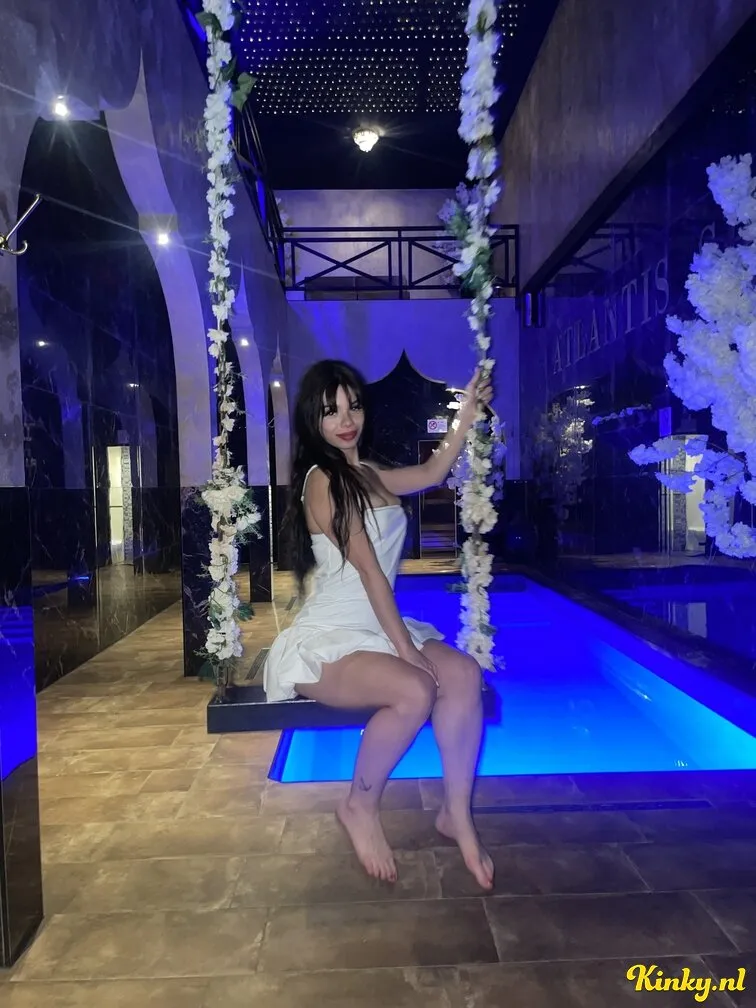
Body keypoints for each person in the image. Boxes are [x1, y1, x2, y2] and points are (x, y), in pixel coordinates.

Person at [263, 359, 494, 890]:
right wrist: (406, 651)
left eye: (354, 406)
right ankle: (359, 806)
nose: (346, 420)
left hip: (379, 624)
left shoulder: (365, 472)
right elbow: (369, 572)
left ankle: (456, 812)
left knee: (462, 674)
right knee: (414, 689)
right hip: (332, 637)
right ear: (312, 419)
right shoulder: (323, 481)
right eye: (331, 411)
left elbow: (432, 473)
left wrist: (465, 415)